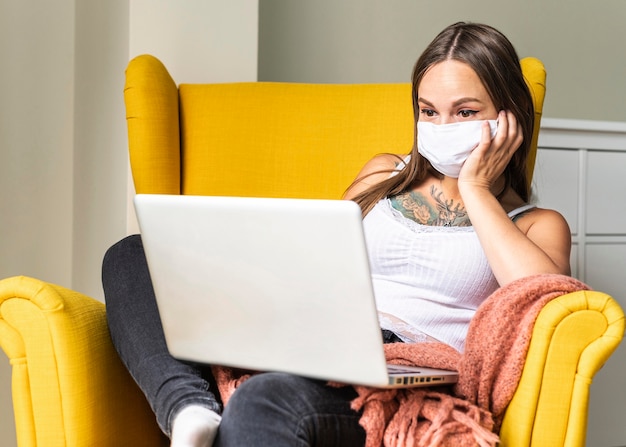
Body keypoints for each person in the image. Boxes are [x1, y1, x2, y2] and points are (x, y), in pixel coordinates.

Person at [103, 22, 571, 447]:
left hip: (400, 375)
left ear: (510, 117)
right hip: (315, 336)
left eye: (465, 112)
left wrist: (475, 188)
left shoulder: (535, 224)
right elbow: (314, 258)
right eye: (428, 111)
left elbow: (533, 303)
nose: (442, 127)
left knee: (265, 401)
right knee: (132, 253)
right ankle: (189, 409)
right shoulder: (384, 173)